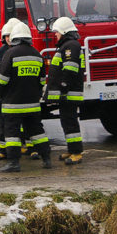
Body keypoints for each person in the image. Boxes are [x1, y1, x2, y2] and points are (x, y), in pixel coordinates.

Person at [0, 22, 51, 172]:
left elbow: (0, 80)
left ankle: (13, 163)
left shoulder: (9, 54)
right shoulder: (37, 54)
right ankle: (46, 159)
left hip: (12, 104)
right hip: (32, 104)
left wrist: (1, 94)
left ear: (14, 38)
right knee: (37, 131)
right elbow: (42, 81)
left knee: (12, 134)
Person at [46, 16, 85, 165]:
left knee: (70, 122)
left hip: (69, 93)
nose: (55, 35)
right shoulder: (68, 45)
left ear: (64, 31)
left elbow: (70, 69)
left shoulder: (71, 46)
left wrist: (63, 86)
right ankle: (72, 149)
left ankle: (76, 152)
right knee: (67, 121)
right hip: (67, 92)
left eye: (57, 32)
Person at [0, 18, 20, 161]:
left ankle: (27, 146)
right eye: (7, 36)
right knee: (1, 124)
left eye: (11, 36)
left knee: (20, 123)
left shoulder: (20, 51)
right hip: (2, 95)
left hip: (17, 94)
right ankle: (4, 149)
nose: (9, 39)